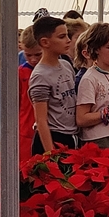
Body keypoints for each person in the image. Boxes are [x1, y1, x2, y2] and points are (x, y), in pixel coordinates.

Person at [29, 17, 79, 154]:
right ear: (45, 42)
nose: (68, 40)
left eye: (68, 35)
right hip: (53, 138)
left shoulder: (66, 65)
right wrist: (50, 153)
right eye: (62, 37)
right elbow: (41, 120)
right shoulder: (40, 75)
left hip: (71, 136)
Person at [18, 26, 41, 161]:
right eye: (28, 55)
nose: (33, 59)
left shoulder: (58, 69)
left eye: (38, 54)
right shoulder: (21, 72)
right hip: (26, 130)